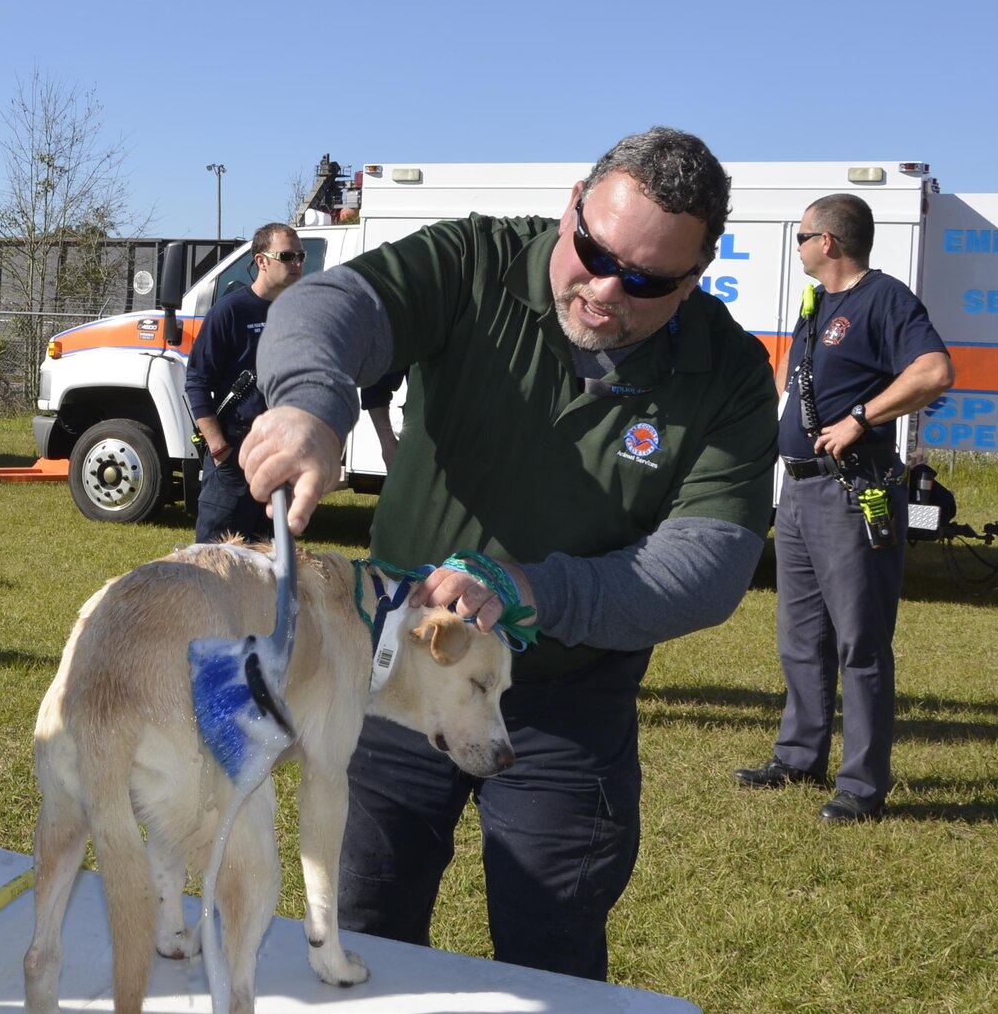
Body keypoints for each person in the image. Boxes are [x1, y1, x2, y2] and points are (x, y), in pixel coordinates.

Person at [237, 127, 780, 980]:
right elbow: (328, 307)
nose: (604, 291)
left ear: (697, 275)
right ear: (573, 204)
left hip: (563, 701)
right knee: (356, 919)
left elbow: (708, 566)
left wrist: (537, 590)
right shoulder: (477, 259)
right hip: (392, 674)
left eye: (645, 281)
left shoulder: (731, 374)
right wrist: (310, 403)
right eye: (594, 251)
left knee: (550, 946)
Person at [735, 194, 951, 822]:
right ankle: (799, 755)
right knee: (800, 637)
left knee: (860, 640)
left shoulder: (883, 299)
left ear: (828, 241)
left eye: (801, 237)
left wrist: (861, 417)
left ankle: (861, 786)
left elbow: (935, 371)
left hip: (852, 492)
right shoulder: (818, 306)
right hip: (799, 490)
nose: (796, 247)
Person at [185, 221, 306, 541]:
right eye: (288, 256)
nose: (297, 264)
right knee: (216, 561)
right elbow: (197, 380)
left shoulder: (300, 312)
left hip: (280, 454)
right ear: (261, 261)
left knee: (272, 563)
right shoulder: (230, 311)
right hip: (234, 452)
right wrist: (218, 446)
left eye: (300, 256)